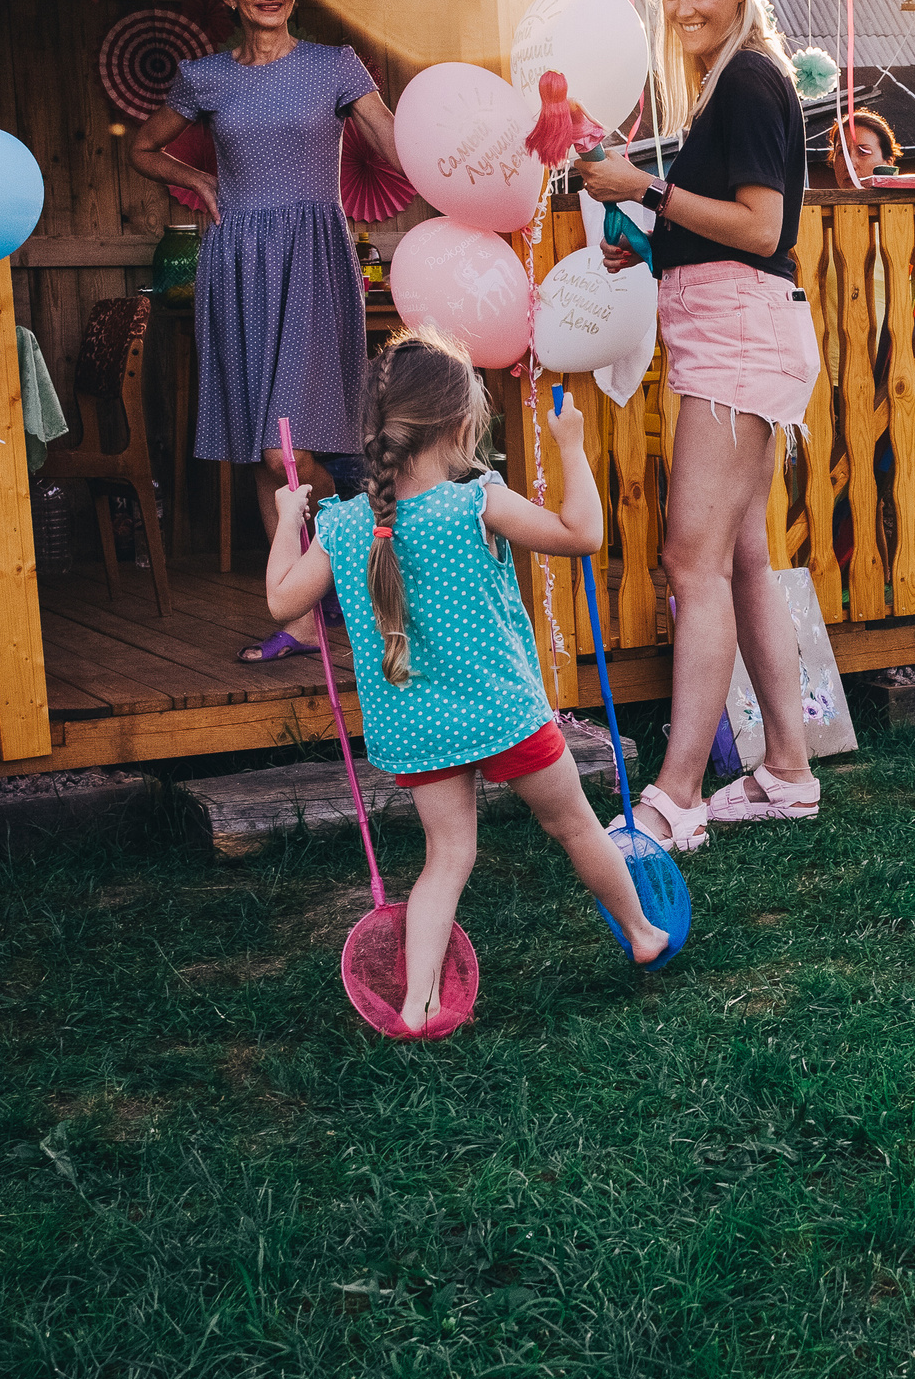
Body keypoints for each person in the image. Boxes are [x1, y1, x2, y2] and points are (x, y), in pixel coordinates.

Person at [264, 332, 670, 1034]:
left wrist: (285, 521)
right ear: (459, 426)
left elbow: (281, 603)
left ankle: (418, 1002)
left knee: (446, 857)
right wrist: (571, 446)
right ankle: (640, 932)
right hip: (502, 712)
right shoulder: (477, 502)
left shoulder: (344, 525)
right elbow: (582, 534)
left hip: (417, 726)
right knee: (575, 824)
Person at [580, 0, 826, 850]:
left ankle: (676, 795)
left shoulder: (751, 78)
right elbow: (724, 227)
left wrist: (643, 190)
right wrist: (649, 239)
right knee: (743, 555)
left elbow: (762, 228)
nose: (683, 8)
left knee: (693, 559)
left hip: (740, 338)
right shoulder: (729, 81)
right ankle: (788, 771)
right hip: (733, 330)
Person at [131, 0, 405, 665]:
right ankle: (301, 619)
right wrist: (196, 179)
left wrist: (465, 160)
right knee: (266, 451)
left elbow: (398, 145)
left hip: (315, 260)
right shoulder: (205, 78)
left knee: (298, 455)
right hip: (240, 265)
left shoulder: (335, 66)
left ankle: (357, 559)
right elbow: (144, 148)